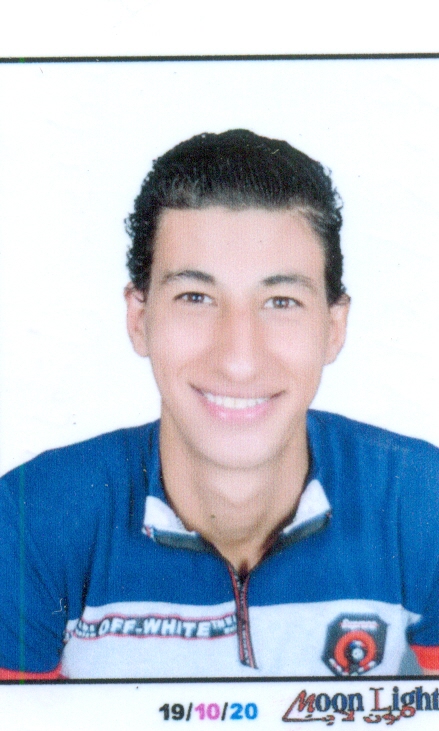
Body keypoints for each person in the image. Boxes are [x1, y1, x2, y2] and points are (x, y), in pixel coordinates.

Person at [1, 129, 438, 680]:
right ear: (139, 318)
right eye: (196, 297)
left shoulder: (422, 500)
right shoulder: (30, 517)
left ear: (333, 327)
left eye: (281, 301)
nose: (238, 360)